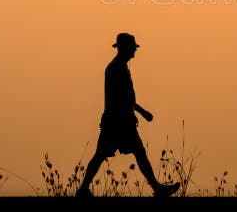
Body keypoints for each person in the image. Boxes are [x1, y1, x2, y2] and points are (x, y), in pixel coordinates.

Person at [76, 32, 180, 197]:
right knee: (128, 152)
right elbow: (121, 98)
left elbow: (125, 98)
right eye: (133, 47)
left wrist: (138, 112)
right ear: (124, 48)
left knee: (110, 153)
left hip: (117, 120)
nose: (135, 51)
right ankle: (158, 189)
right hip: (118, 121)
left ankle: (83, 189)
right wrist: (141, 112)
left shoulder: (120, 67)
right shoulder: (116, 68)